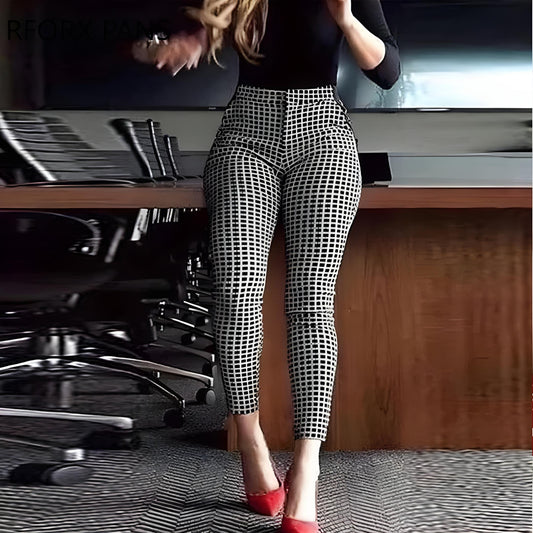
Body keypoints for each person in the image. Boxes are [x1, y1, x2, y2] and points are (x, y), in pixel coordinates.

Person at [133, 1, 400, 531]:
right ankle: (251, 443)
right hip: (245, 137)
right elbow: (147, 40)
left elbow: (388, 72)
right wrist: (172, 45)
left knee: (311, 303)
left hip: (324, 134)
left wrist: (346, 20)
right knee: (236, 293)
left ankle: (307, 469)